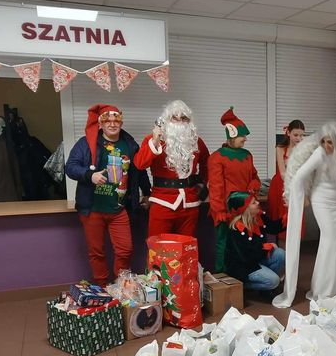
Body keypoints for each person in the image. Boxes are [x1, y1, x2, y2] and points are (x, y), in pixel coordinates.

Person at [272, 121, 336, 309]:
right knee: (329, 239)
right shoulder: (319, 153)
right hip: (323, 201)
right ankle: (323, 289)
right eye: (324, 142)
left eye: (331, 142)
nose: (327, 146)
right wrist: (298, 196)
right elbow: (299, 176)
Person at [65, 104, 150, 286]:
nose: (112, 124)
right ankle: (103, 287)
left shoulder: (130, 144)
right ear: (100, 124)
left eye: (116, 120)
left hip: (118, 208)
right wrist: (90, 175)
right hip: (92, 208)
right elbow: (70, 167)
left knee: (125, 250)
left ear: (121, 121)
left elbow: (140, 170)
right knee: (97, 252)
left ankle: (121, 285)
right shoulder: (86, 143)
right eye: (107, 120)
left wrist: (147, 192)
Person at [133, 100, 209, 237]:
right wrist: (155, 141)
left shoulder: (197, 142)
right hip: (162, 202)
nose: (180, 122)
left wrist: (202, 186)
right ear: (167, 120)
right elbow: (140, 164)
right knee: (158, 250)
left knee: (186, 250)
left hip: (190, 204)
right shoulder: (153, 140)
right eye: (175, 117)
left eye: (184, 118)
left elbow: (207, 164)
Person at [208, 107, 261, 272]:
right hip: (227, 211)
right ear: (231, 135)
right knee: (224, 244)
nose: (245, 139)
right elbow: (216, 188)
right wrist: (219, 212)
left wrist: (254, 185)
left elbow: (254, 177)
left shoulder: (247, 155)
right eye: (242, 136)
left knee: (246, 243)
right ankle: (222, 281)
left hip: (245, 209)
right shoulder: (216, 157)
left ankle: (246, 279)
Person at [225, 191, 286, 292]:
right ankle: (244, 286)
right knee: (274, 281)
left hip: (256, 258)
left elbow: (274, 227)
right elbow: (246, 258)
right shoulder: (236, 229)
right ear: (245, 209)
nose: (258, 203)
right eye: (253, 203)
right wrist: (266, 247)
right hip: (244, 267)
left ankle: (266, 287)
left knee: (280, 254)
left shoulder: (257, 218)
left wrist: (288, 217)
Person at [267, 119, 306, 243]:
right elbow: (283, 172)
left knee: (295, 220)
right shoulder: (280, 148)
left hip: (297, 186)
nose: (299, 138)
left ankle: (293, 255)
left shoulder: (304, 150)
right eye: (296, 135)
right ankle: (283, 253)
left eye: (302, 135)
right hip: (281, 186)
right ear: (288, 133)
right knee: (281, 220)